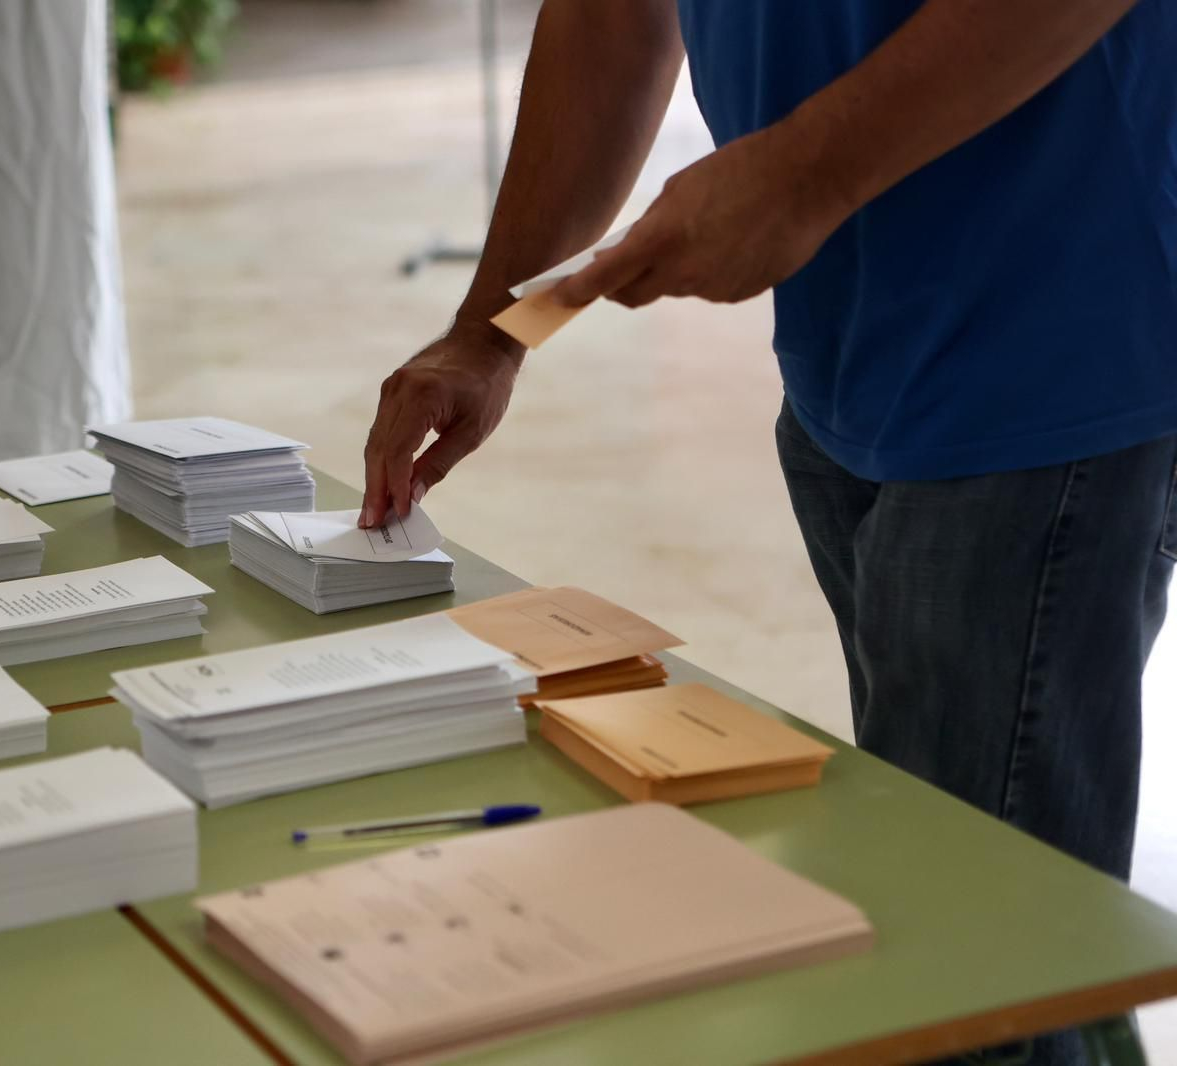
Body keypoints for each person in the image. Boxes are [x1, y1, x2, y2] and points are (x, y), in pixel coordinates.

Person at [358, 2, 1176, 1062]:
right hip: (848, 343)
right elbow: (614, 20)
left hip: (1048, 335)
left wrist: (803, 176)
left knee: (976, 957)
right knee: (960, 894)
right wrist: (494, 330)